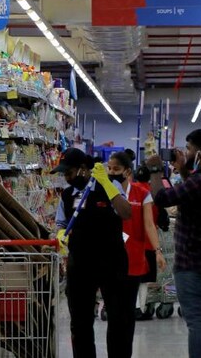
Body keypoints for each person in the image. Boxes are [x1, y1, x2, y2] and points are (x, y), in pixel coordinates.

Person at [150, 129, 201, 358]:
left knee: (195, 323)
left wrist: (156, 170)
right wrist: (184, 169)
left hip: (192, 265)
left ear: (200, 153)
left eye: (190, 149)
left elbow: (163, 199)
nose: (186, 152)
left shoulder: (199, 182)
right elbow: (192, 190)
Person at [53, 148, 134, 358]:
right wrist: (61, 233)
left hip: (112, 262)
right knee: (80, 322)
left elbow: (126, 213)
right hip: (80, 265)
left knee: (118, 318)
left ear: (82, 170)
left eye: (69, 172)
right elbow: (60, 224)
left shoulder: (110, 185)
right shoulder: (68, 194)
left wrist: (107, 184)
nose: (66, 177)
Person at [108, 152, 167, 322]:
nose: (112, 172)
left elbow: (149, 224)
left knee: (128, 307)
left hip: (134, 253)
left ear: (127, 171)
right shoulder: (105, 191)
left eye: (116, 169)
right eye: (109, 168)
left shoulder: (142, 193)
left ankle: (137, 308)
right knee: (115, 307)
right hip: (111, 254)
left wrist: (157, 251)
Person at [127, 156, 169, 320]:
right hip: (149, 243)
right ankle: (143, 307)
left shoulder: (131, 192)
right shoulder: (151, 194)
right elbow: (159, 219)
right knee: (145, 279)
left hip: (131, 242)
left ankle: (134, 305)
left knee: (132, 276)